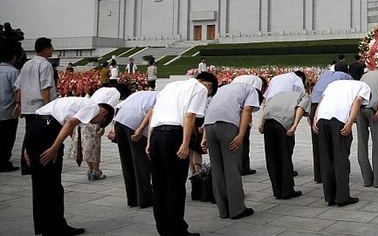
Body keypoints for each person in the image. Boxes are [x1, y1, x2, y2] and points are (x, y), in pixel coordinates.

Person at [24, 94, 116, 236]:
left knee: (39, 183)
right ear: (104, 112)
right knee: (52, 183)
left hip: (36, 126)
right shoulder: (92, 106)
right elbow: (70, 124)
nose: (93, 122)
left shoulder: (73, 102)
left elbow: (38, 119)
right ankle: (56, 227)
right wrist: (54, 147)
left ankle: (45, 227)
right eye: (99, 122)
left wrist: (27, 147)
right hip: (49, 130)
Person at [146, 72, 218, 236]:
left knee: (159, 185)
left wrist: (150, 140)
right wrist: (185, 143)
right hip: (174, 135)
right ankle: (177, 231)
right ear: (208, 85)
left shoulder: (170, 86)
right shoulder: (199, 88)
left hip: (157, 134)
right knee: (175, 186)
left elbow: (155, 112)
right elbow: (190, 115)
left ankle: (164, 229)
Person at [202, 77, 264, 220]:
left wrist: (204, 137)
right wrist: (241, 135)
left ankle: (223, 210)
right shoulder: (252, 90)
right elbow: (247, 110)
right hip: (227, 126)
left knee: (217, 170)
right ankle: (237, 209)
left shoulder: (224, 89)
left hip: (210, 126)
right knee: (232, 168)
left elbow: (209, 109)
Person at [312, 78, 371, 207]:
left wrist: (315, 118)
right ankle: (342, 197)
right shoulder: (364, 86)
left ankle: (330, 197)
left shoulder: (333, 83)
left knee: (326, 159)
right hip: (339, 121)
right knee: (341, 159)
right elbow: (358, 101)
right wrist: (350, 122)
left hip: (322, 119)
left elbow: (322, 100)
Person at [260, 81, 311, 199]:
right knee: (284, 157)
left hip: (268, 123)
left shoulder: (279, 94)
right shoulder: (303, 96)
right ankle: (287, 190)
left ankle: (277, 190)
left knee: (271, 157)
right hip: (282, 125)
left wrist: (261, 123)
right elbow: (301, 108)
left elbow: (267, 106)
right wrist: (294, 125)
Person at [108, 89, 157, 208]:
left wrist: (113, 128)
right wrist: (140, 129)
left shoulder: (138, 93)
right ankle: (145, 199)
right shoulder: (162, 96)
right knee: (141, 164)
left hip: (120, 122)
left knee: (127, 163)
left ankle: (132, 199)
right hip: (135, 125)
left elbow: (118, 108)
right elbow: (152, 111)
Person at [14, 36, 56, 175]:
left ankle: (27, 165)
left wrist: (18, 103)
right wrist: (48, 106)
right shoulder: (45, 65)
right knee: (42, 136)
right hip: (40, 107)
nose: (52, 49)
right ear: (45, 49)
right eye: (51, 47)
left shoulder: (27, 64)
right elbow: (45, 87)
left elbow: (18, 87)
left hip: (28, 107)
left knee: (29, 135)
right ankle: (38, 162)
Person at [308, 70, 353, 183]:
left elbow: (314, 92)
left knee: (318, 144)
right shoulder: (347, 78)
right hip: (331, 108)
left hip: (315, 107)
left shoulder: (325, 75)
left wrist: (310, 114)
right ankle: (336, 173)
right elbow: (352, 95)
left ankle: (320, 175)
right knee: (337, 143)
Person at [0, 41, 20, 172]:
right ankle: (3, 162)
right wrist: (19, 104)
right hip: (8, 111)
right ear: (13, 57)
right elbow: (17, 90)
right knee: (7, 138)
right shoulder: (13, 72)